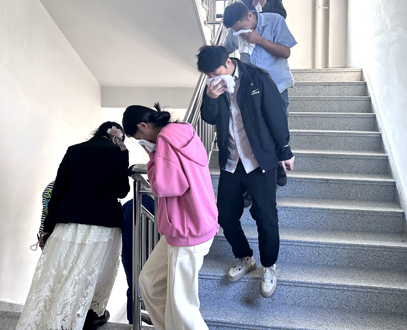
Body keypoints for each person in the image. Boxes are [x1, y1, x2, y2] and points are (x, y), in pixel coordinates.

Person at [197, 45, 295, 298]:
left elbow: (276, 114)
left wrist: (285, 150)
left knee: (266, 216)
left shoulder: (256, 78)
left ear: (228, 62)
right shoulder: (213, 87)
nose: (212, 78)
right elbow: (208, 118)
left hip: (259, 161)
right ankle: (245, 257)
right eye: (208, 75)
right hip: (231, 162)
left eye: (215, 72)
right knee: (225, 216)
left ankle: (269, 266)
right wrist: (210, 97)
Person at [16, 122, 130, 330]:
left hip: (68, 221)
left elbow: (58, 189)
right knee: (90, 275)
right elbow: (122, 191)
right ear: (118, 137)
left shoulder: (74, 150)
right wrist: (124, 154)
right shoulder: (117, 152)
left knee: (59, 272)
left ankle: (47, 320)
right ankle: (83, 319)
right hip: (103, 224)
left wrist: (47, 227)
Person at [122, 104, 219, 330]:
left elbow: (165, 186)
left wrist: (152, 154)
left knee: (183, 306)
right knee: (149, 282)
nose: (140, 141)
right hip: (190, 223)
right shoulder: (183, 131)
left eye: (138, 137)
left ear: (143, 125)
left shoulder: (165, 140)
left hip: (187, 228)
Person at [121, 196, 155, 326]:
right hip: (152, 252)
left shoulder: (129, 205)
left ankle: (133, 322)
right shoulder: (160, 206)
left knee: (133, 287)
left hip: (130, 252)